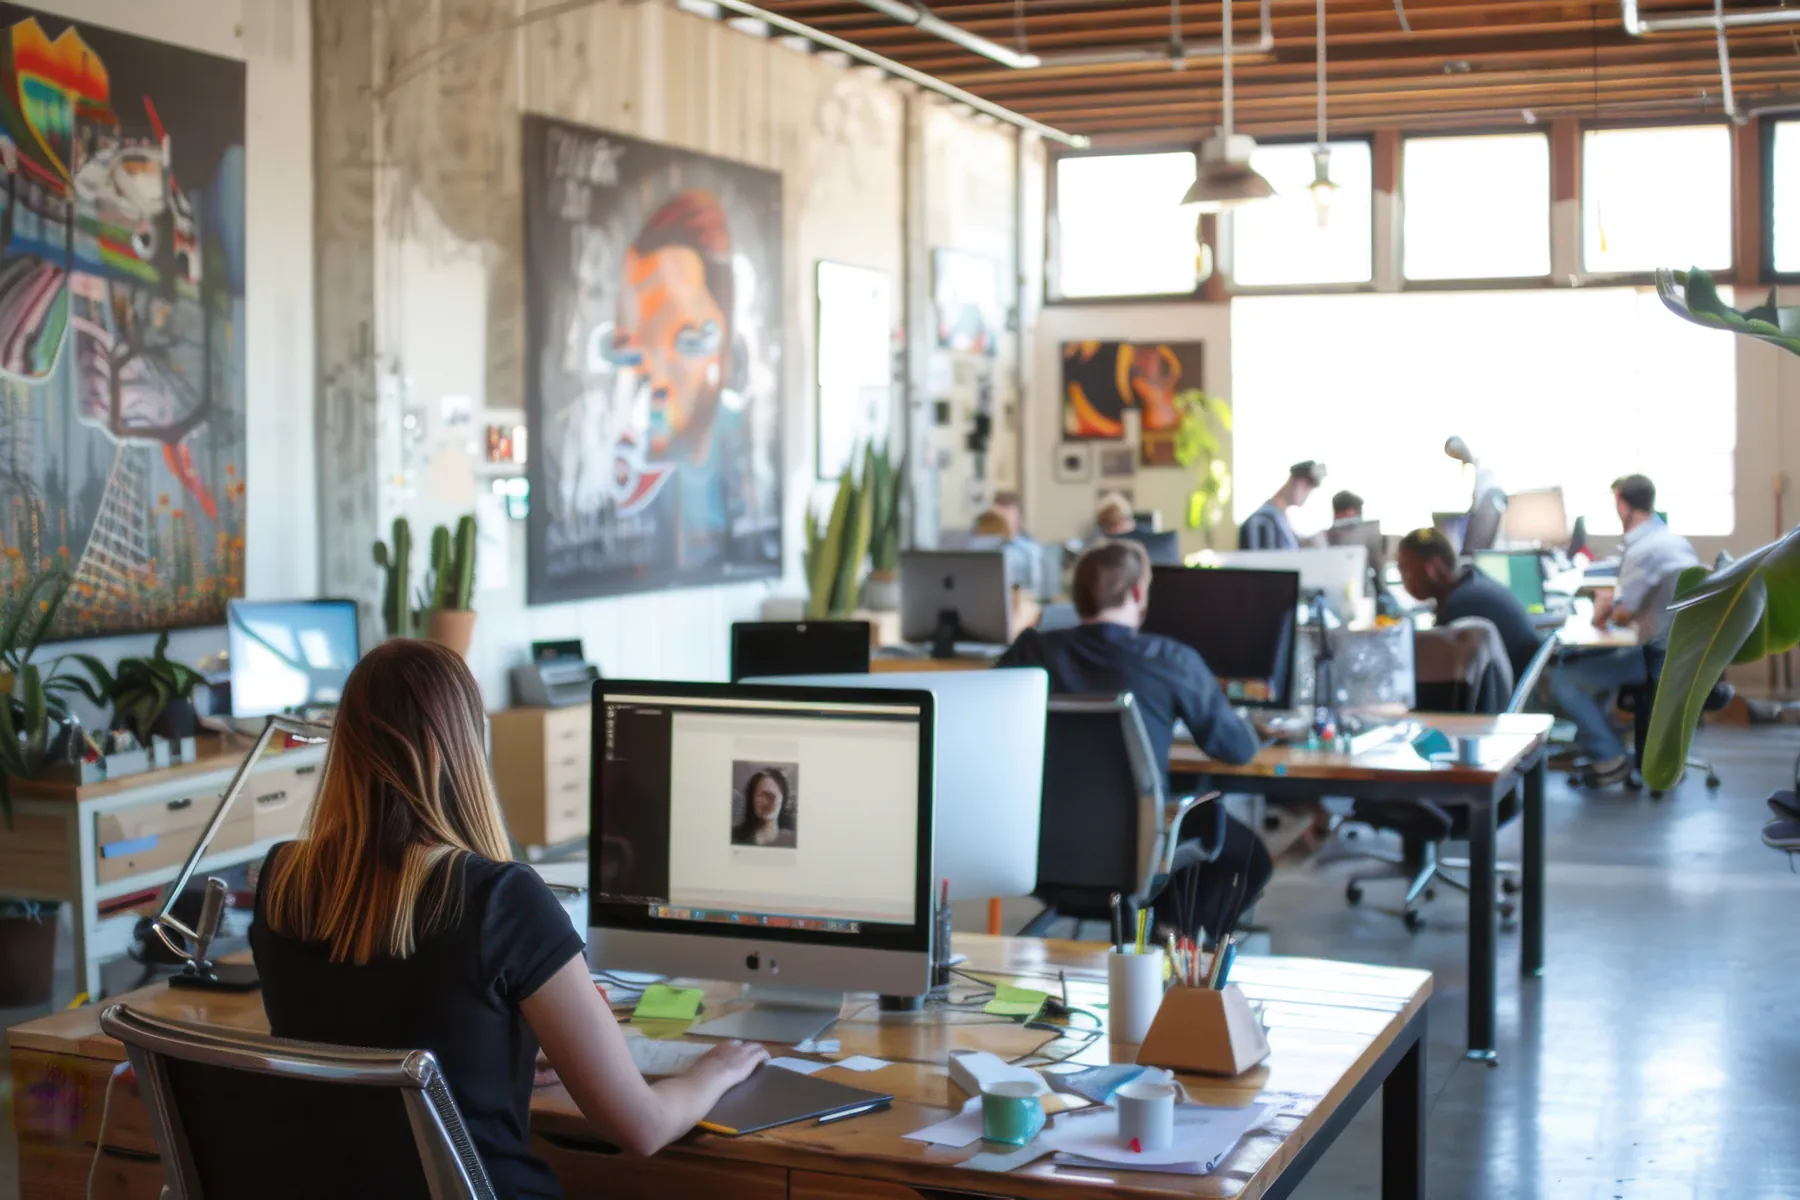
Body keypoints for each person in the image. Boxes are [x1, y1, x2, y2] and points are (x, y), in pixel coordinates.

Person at [251, 640, 767, 1197]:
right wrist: (714, 1070)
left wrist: (509, 1052)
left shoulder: (283, 881)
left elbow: (366, 1025)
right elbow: (643, 1126)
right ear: (467, 747)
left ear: (345, 745)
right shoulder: (502, 899)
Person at [994, 540, 1268, 944]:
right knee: (1250, 857)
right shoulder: (1171, 659)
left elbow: (988, 725)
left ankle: (1159, 928)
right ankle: (1171, 933)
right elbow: (1236, 749)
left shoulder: (1030, 651)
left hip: (1039, 850)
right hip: (1138, 852)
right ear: (1138, 592)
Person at [1550, 474, 1699, 787]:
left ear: (1621, 502)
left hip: (1652, 657)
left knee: (1563, 677)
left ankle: (1609, 756)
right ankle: (1603, 745)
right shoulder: (1672, 539)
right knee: (1585, 665)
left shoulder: (1642, 549)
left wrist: (1604, 604)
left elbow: (1621, 614)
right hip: (1676, 655)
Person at [1396, 527, 1543, 686]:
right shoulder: (1474, 583)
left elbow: (1442, 679)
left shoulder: (1462, 608)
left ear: (1433, 568)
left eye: (1404, 569)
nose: (1404, 579)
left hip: (1511, 696)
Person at [1239, 461, 1325, 550]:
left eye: (1310, 487)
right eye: (1305, 485)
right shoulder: (1263, 521)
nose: (1307, 492)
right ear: (1294, 481)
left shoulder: (1283, 522)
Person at [732, 767, 797, 847]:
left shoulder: (792, 840)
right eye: (762, 796)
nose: (767, 802)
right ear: (752, 798)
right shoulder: (735, 837)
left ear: (783, 799)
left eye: (773, 796)